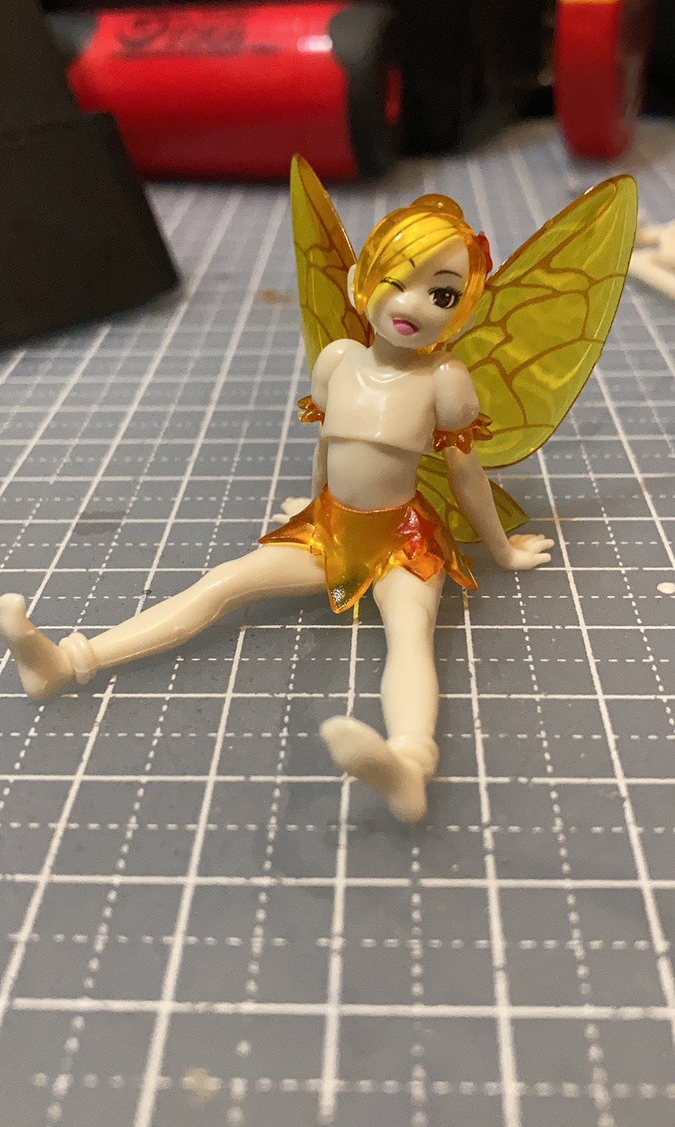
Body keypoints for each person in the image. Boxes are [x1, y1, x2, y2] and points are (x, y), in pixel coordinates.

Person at [0, 193, 552, 822]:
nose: (413, 306)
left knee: (410, 636)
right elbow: (326, 446)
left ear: (464, 308)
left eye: (443, 294)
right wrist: (312, 506)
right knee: (223, 583)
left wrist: (502, 549)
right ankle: (65, 663)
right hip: (330, 527)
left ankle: (408, 765)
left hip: (404, 541)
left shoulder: (445, 381)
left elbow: (465, 474)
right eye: (397, 281)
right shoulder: (339, 360)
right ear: (359, 280)